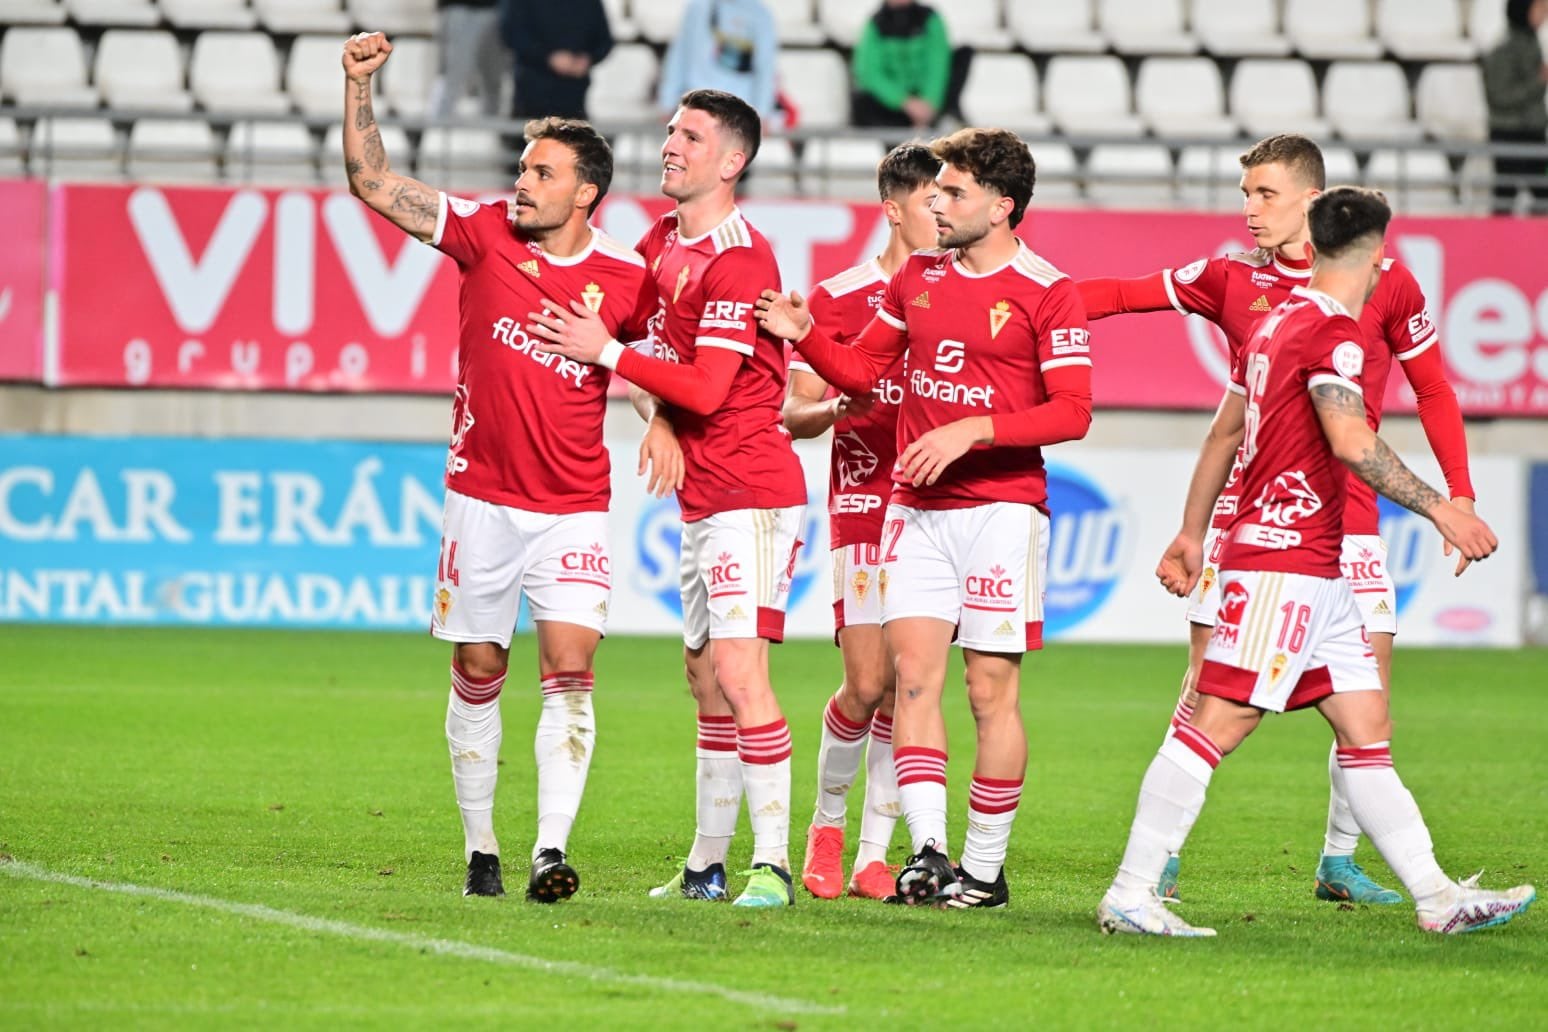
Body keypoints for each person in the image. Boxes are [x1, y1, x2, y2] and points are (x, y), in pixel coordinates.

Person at [1097, 186, 1535, 938]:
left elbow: (1234, 432)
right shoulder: (1333, 332)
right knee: (1216, 723)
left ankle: (1436, 898)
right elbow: (1351, 439)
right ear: (1371, 254)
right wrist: (1445, 508)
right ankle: (1132, 892)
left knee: (1365, 729)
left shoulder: (1276, 322)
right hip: (1284, 561)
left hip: (1319, 566)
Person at [341, 31, 677, 902]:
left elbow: (640, 367)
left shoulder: (627, 276)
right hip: (480, 501)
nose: (520, 183)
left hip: (573, 505)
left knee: (570, 666)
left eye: (540, 173)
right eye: (522, 169)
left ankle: (549, 852)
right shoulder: (484, 235)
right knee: (481, 669)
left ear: (585, 193)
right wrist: (358, 88)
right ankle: (482, 848)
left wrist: (662, 420)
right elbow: (372, 183)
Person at [757, 127, 1093, 909]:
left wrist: (973, 430)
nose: (934, 203)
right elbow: (866, 373)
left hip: (1004, 509)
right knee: (910, 682)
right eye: (933, 191)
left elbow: (1073, 411)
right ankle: (929, 855)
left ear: (1001, 206)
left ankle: (984, 870)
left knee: (988, 693)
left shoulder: (1047, 289)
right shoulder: (917, 281)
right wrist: (808, 334)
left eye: (953, 192)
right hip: (915, 510)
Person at [530, 89, 808, 908]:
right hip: (700, 490)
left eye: (690, 135)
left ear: (733, 161)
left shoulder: (741, 258)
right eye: (670, 131)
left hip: (753, 491)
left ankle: (773, 865)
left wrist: (614, 357)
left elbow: (714, 384)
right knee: (703, 677)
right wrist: (658, 420)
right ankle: (706, 864)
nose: (670, 144)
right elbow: (660, 372)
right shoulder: (658, 242)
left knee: (738, 669)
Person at [785, 143, 941, 901]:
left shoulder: (954, 291)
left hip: (937, 508)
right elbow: (791, 411)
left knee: (910, 682)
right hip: (863, 502)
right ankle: (827, 822)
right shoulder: (840, 295)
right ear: (893, 207)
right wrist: (830, 408)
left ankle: (874, 854)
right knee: (866, 681)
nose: (942, 213)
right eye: (929, 201)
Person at [655, 0, 778, 123]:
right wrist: (667, 103)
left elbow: (765, 68)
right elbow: (679, 56)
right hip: (696, 104)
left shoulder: (760, 14)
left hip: (738, 111)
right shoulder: (696, 7)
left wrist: (762, 113)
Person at [1482, 0, 1548, 215]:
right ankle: (1498, 243)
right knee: (1506, 194)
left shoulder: (1531, 43)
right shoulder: (1503, 49)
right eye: (1539, 9)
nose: (1544, 14)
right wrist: (1539, 81)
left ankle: (1536, 241)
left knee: (1542, 192)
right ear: (1523, 10)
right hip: (1509, 133)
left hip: (1533, 132)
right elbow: (1500, 97)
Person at [501, 0, 613, 119]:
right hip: (532, 90)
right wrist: (548, 58)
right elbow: (512, 33)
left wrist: (588, 59)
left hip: (574, 94)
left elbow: (604, 39)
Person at [850, 0, 951, 130]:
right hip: (892, 106)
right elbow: (869, 72)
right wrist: (904, 102)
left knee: (964, 55)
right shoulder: (876, 23)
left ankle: (942, 118)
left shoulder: (930, 19)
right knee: (863, 100)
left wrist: (929, 103)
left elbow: (938, 65)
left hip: (927, 102)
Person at [428, 0, 507, 119]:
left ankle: (490, 130)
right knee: (454, 75)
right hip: (460, 9)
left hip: (495, 10)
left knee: (493, 80)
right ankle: (436, 126)